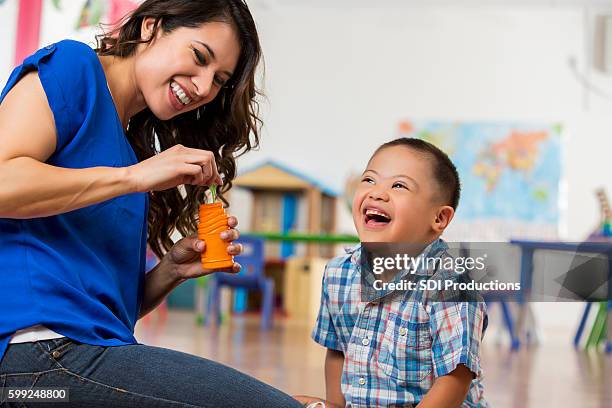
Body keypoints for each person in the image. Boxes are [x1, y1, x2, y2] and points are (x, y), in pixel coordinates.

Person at [0, 1, 302, 406]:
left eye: (219, 80)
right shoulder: (75, 68)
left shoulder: (128, 153)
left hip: (69, 360)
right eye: (199, 57)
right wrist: (134, 177)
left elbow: (101, 310)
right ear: (151, 27)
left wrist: (169, 271)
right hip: (33, 360)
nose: (203, 87)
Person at [295, 138, 488, 407]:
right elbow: (338, 351)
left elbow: (455, 378)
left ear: (439, 219)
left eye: (398, 185)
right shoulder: (338, 274)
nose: (376, 193)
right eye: (369, 180)